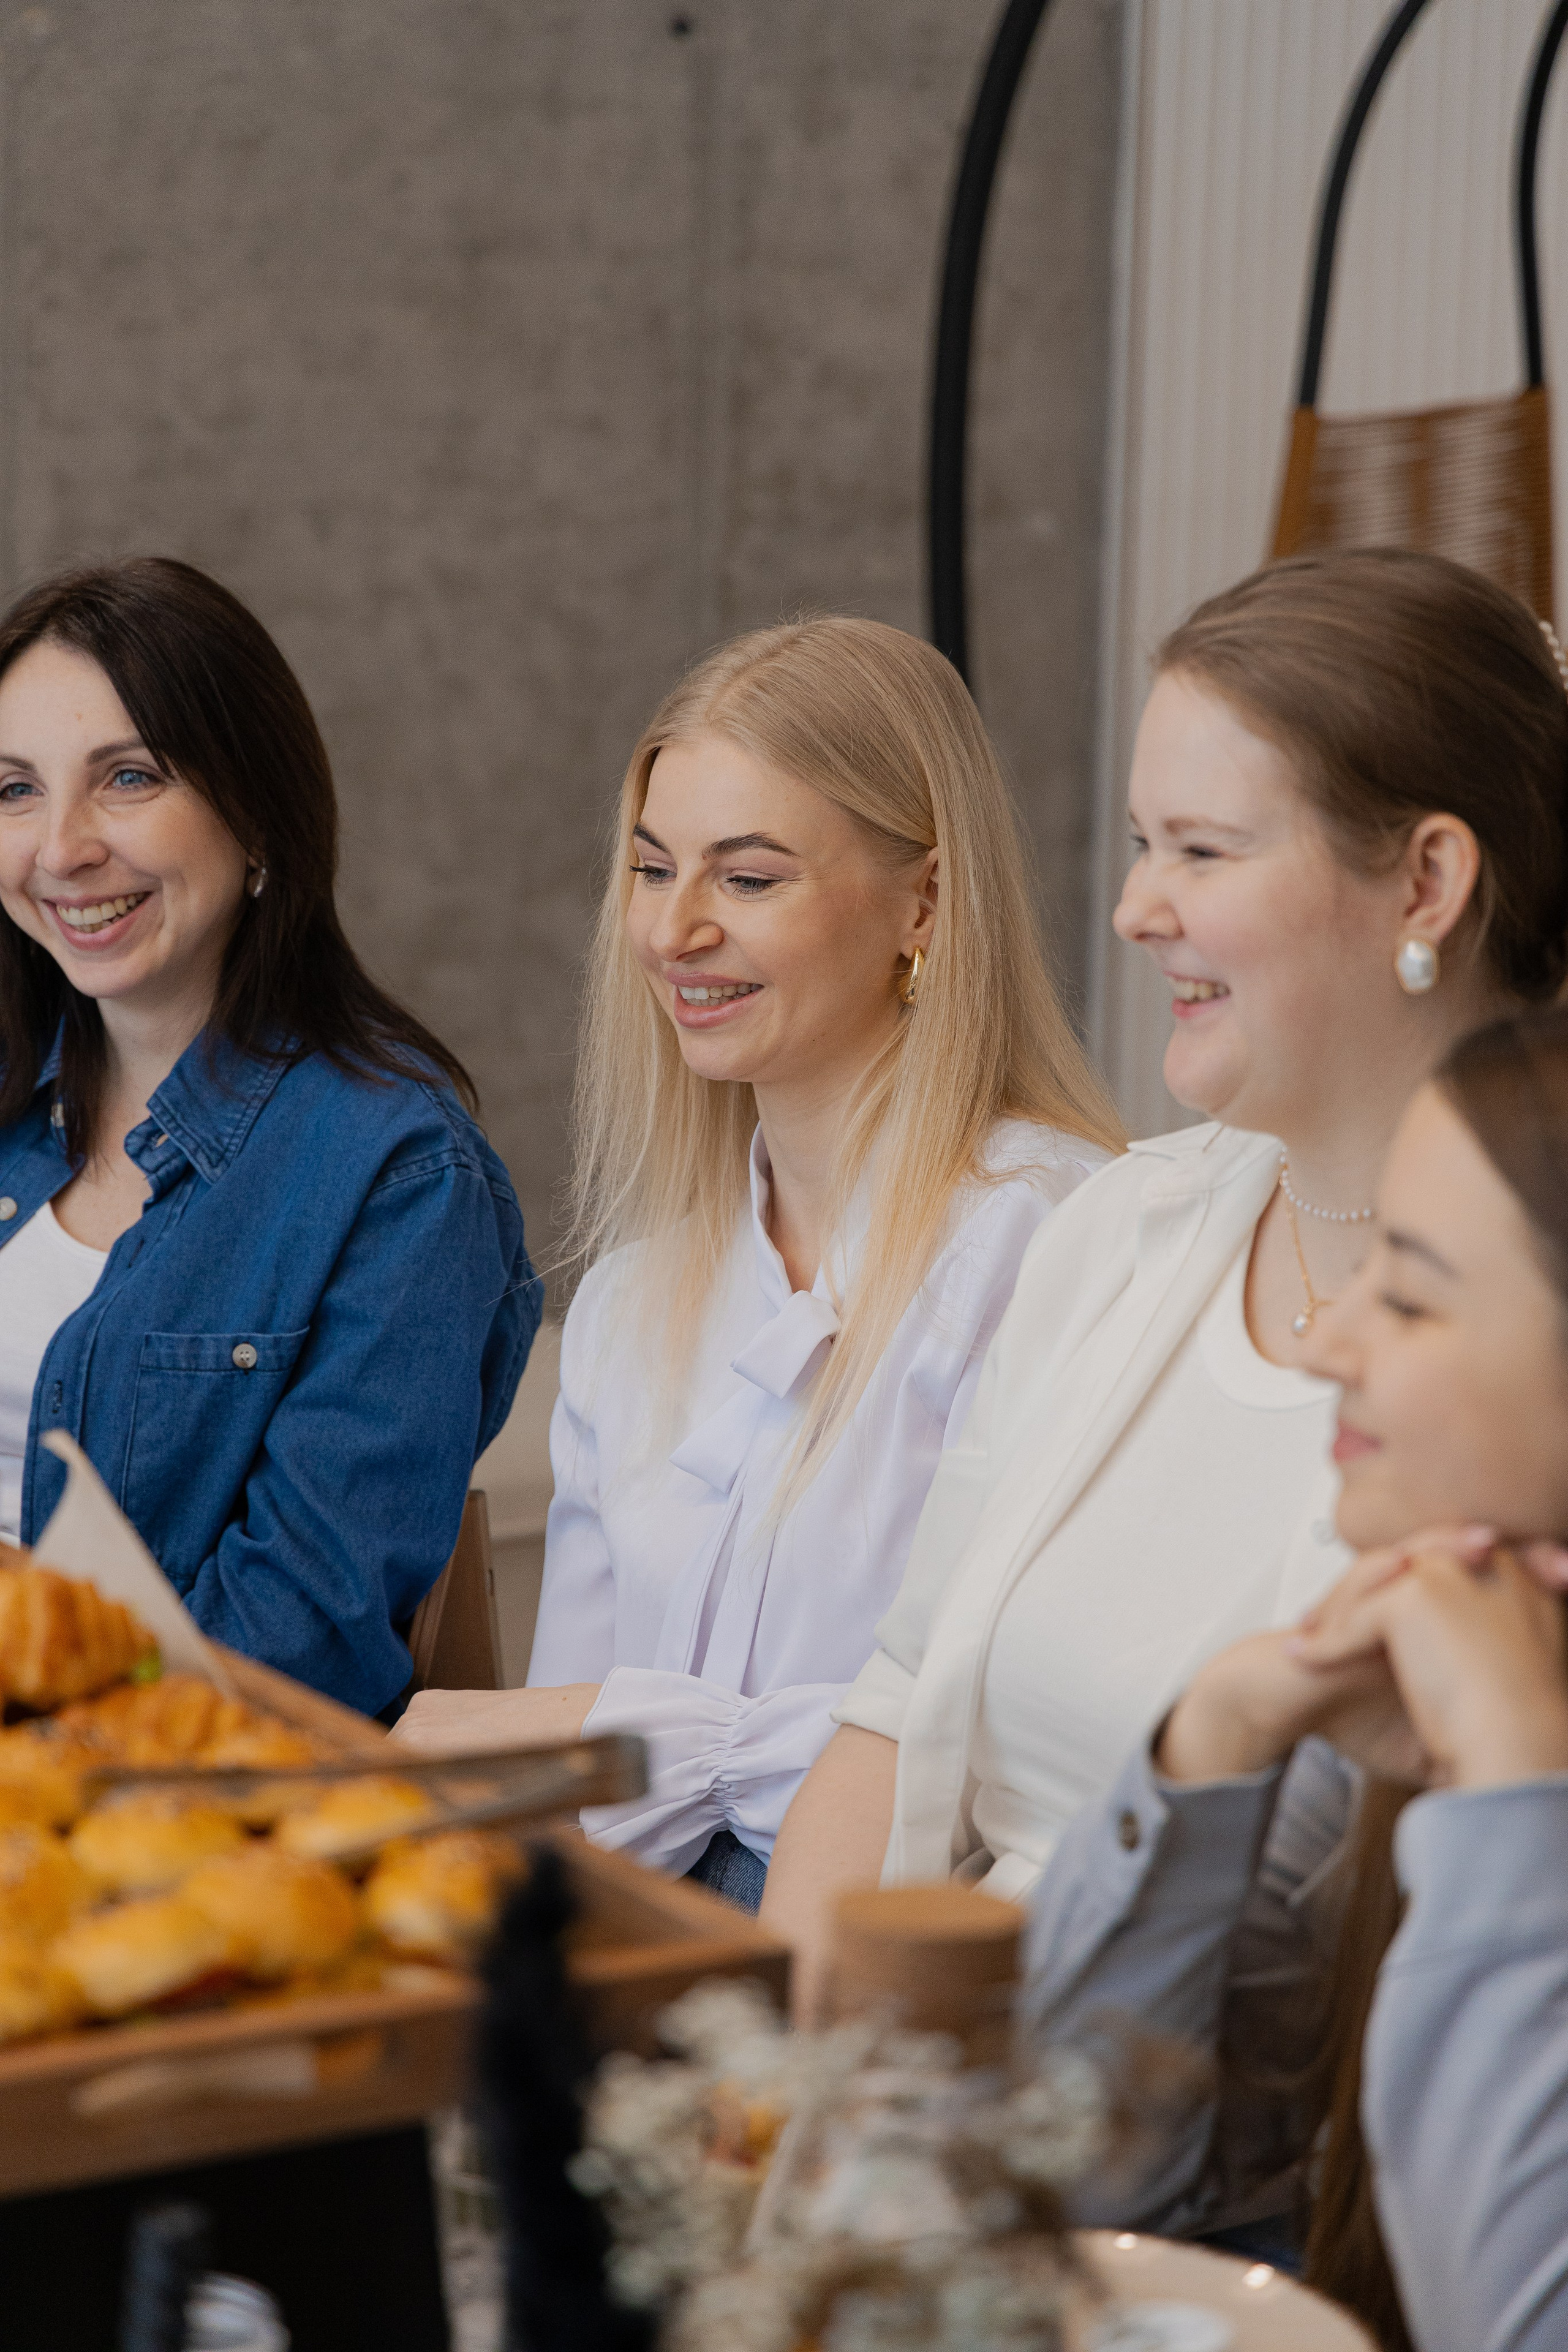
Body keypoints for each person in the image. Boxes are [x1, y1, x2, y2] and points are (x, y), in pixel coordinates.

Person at [763, 549, 1568, 1998]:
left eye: (1199, 850)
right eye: (1143, 845)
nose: (1133, 909)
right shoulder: (1120, 1231)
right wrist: (779, 2111)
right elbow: (885, 1728)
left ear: (1426, 882)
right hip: (940, 2103)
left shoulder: (1523, 1353)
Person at [395, 616, 1122, 1906]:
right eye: (650, 867)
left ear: (925, 903)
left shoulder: (1057, 1243)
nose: (671, 933)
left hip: (918, 1962)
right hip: (642, 1939)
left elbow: (1020, 1762)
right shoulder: (631, 1306)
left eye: (747, 878)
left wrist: (674, 1742)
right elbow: (585, 1798)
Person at [1020, 1005, 1568, 2352]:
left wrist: (1515, 1781)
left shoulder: (1497, 1708)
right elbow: (1079, 2175)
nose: (1330, 1344)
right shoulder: (1435, 1644)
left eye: (1415, 1293)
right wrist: (1214, 1742)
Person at [0, 557, 538, 1716]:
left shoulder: (398, 1174)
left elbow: (296, 1643)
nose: (61, 848)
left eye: (129, 777)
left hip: (128, 1811)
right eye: (14, 790)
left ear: (256, 815)